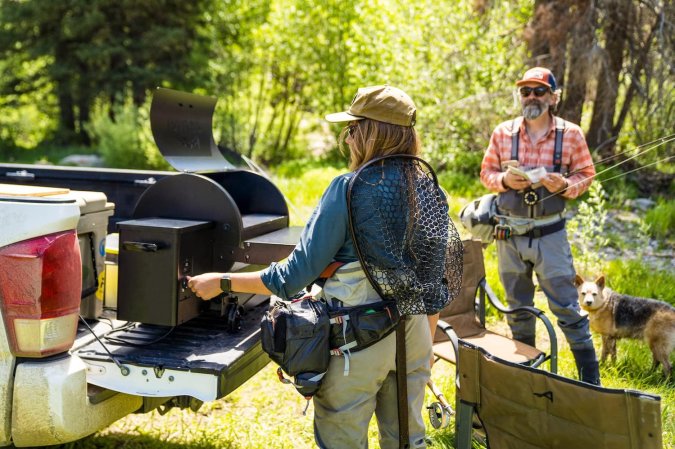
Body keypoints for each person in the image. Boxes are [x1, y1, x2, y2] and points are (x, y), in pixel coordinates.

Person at [189, 85, 445, 448]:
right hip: (416, 332)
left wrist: (222, 281)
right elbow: (434, 284)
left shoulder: (347, 189)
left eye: (352, 129)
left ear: (365, 134)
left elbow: (292, 277)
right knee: (408, 439)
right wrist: (426, 347)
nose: (348, 137)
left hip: (358, 339)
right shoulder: (428, 189)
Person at [480, 67, 600, 385]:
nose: (531, 97)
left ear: (553, 97)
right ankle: (526, 380)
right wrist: (505, 180)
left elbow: (586, 175)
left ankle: (591, 383)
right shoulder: (502, 133)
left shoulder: (570, 134)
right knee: (517, 310)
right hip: (510, 236)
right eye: (525, 91)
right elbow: (486, 174)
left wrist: (565, 184)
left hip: (551, 235)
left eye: (539, 91)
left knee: (569, 310)